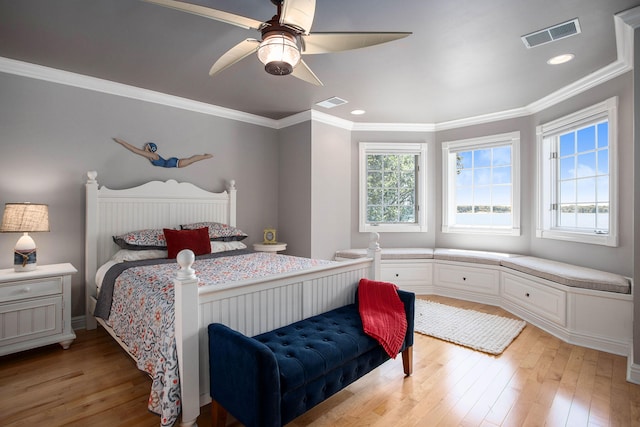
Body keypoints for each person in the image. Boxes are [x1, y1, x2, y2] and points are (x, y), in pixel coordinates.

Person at [113, 137, 213, 168]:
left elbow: (135, 150)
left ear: (149, 149)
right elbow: (136, 151)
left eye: (146, 146)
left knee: (192, 160)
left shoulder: (152, 155)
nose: (144, 147)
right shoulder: (151, 156)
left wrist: (122, 142)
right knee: (191, 161)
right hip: (174, 163)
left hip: (175, 163)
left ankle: (206, 157)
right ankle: (205, 157)